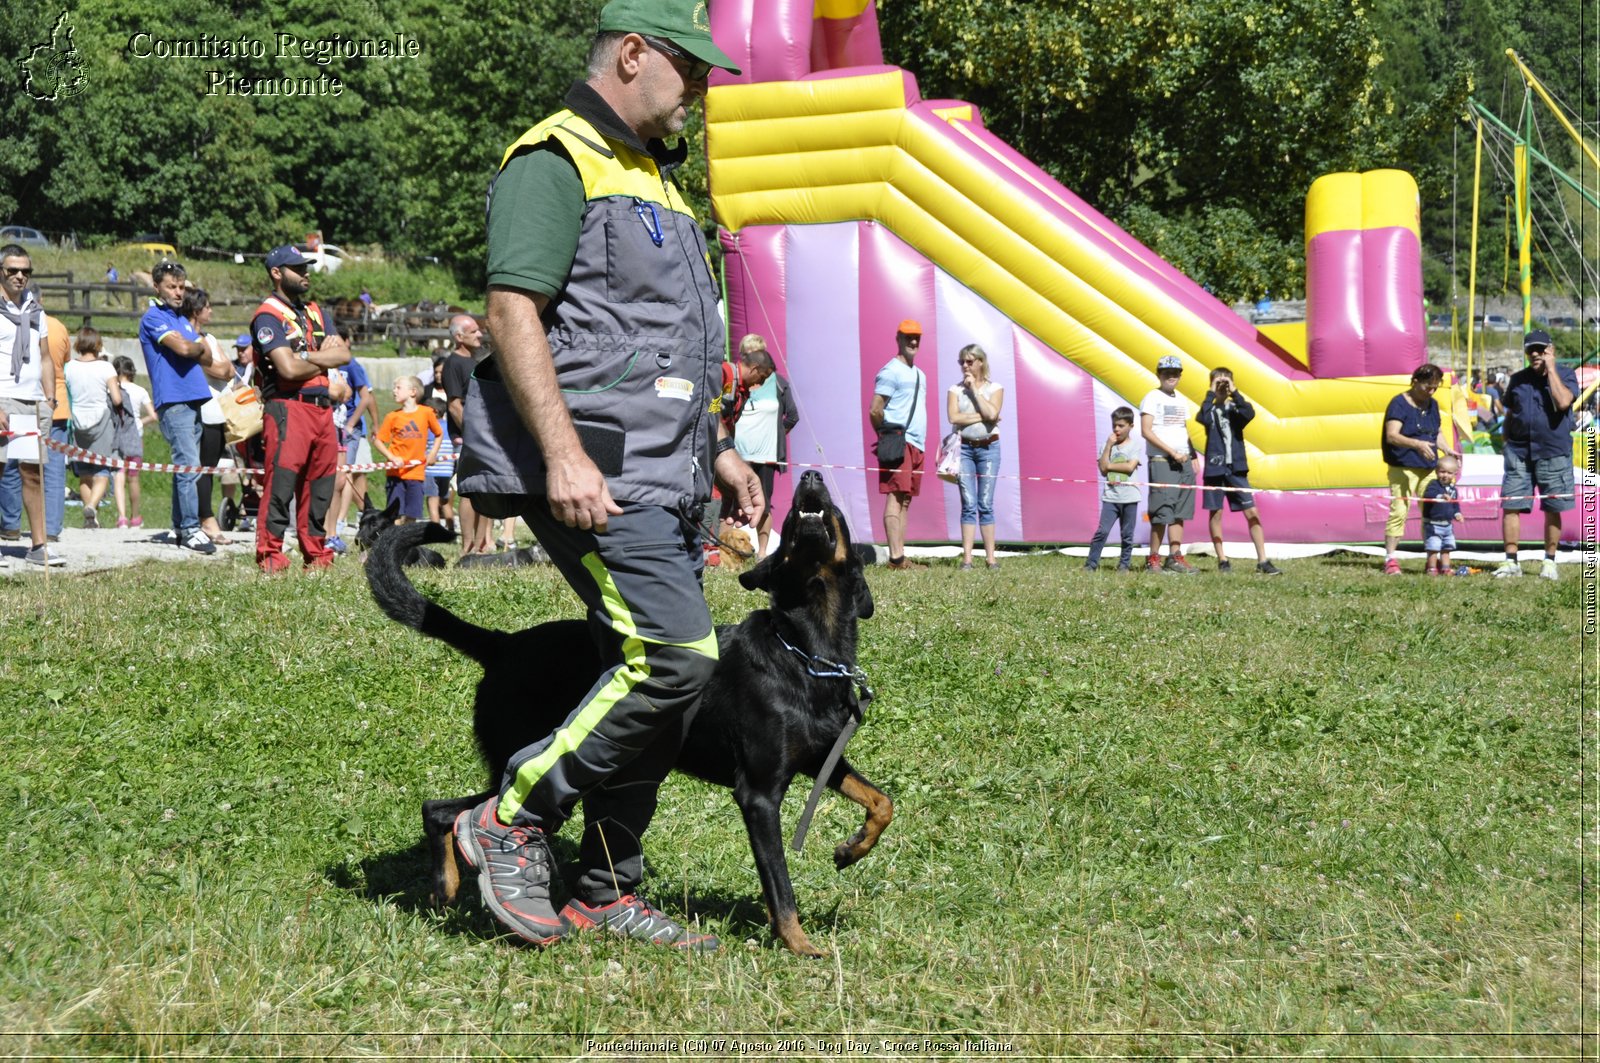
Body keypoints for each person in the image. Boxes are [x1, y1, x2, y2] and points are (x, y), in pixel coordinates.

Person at [454, 0, 758, 952]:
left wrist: (716, 448)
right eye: (691, 71)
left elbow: (657, 342)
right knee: (674, 659)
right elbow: (513, 314)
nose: (701, 92)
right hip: (597, 469)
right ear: (632, 54)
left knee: (657, 677)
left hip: (668, 475)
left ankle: (604, 885)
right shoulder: (554, 160)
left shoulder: (655, 180)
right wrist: (564, 455)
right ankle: (507, 817)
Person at [250, 244, 350, 572]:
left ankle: (318, 556)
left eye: (306, 266)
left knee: (320, 488)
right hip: (287, 407)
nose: (305, 273)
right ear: (276, 273)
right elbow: (287, 371)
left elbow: (343, 356)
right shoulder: (268, 315)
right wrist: (319, 358)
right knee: (280, 485)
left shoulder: (316, 311)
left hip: (323, 411)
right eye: (297, 268)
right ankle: (271, 556)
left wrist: (303, 357)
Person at [140, 260, 218, 554]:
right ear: (157, 286)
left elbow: (205, 351)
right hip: (174, 401)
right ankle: (190, 528)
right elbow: (189, 349)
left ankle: (179, 524)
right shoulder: (153, 317)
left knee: (186, 466)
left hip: (193, 398)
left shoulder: (181, 319)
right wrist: (194, 345)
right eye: (171, 286)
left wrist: (195, 345)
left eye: (181, 287)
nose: (177, 292)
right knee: (189, 466)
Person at [1494, 329, 1578, 580]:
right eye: (1530, 349)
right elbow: (1510, 412)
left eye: (1540, 349)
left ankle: (1549, 562)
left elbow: (1563, 402)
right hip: (1518, 452)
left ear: (1550, 350)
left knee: (1553, 507)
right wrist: (1506, 440)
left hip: (1553, 452)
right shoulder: (1518, 379)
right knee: (1511, 505)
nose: (1535, 354)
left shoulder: (1565, 374)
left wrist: (1551, 369)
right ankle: (1511, 562)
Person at [0, 244, 64, 566]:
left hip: (32, 401)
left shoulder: (36, 311)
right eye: (12, 270)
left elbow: (45, 358)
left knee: (32, 473)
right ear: (1, 271)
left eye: (25, 270)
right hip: (2, 398)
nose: (20, 276)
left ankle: (39, 546)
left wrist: (49, 400)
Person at [1198, 366, 1282, 575]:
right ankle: (1222, 559)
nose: (1222, 387)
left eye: (1225, 382)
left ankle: (1262, 560)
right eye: (1219, 383)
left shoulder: (1235, 409)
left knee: (1252, 512)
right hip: (1215, 469)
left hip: (1236, 468)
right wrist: (1212, 393)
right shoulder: (1210, 409)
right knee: (1216, 513)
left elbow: (1249, 413)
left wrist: (1234, 392)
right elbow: (1203, 418)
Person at [727, 336, 796, 557]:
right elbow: (715, 408)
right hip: (734, 454)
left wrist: (775, 435)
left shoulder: (777, 382)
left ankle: (762, 552)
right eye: (748, 353)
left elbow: (792, 416)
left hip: (766, 456)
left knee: (763, 504)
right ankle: (723, 550)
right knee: (729, 503)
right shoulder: (730, 378)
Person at [870, 319, 928, 570]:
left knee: (905, 499)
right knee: (895, 497)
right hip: (898, 441)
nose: (913, 342)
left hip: (917, 443)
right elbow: (875, 409)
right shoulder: (890, 371)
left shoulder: (920, 374)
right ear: (898, 339)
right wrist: (886, 437)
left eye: (917, 337)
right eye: (908, 337)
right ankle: (896, 559)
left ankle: (900, 555)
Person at [1380, 363, 1449, 575]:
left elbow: (1436, 432)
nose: (1431, 391)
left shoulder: (1433, 404)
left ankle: (1433, 560)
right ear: (1416, 381)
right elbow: (1392, 435)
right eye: (1428, 386)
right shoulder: (1399, 404)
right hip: (1403, 466)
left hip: (1428, 468)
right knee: (1399, 511)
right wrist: (1417, 444)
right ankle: (1390, 558)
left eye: (1435, 387)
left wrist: (1447, 450)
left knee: (1433, 511)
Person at [182, 289, 234, 545]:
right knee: (202, 467)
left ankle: (204, 514)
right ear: (196, 310)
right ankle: (205, 517)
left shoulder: (209, 338)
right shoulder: (189, 340)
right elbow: (216, 367)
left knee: (210, 466)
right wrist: (219, 367)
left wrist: (219, 367)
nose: (211, 310)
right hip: (202, 409)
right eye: (208, 306)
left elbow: (229, 369)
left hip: (218, 410)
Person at [946, 342, 1004, 570]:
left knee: (986, 503)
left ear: (981, 362)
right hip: (965, 449)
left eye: (969, 361)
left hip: (989, 448)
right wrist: (984, 417)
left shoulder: (995, 388)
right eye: (962, 362)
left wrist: (976, 392)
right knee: (968, 503)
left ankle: (991, 558)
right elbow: (953, 418)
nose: (965, 366)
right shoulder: (955, 390)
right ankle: (967, 558)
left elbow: (993, 412)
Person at [1140, 354, 1197, 573]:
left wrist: (1191, 456)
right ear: (1159, 374)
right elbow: (1146, 430)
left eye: (1175, 373)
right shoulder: (1152, 397)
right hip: (1163, 460)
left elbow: (1183, 430)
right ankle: (1153, 558)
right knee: (1162, 510)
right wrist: (1171, 451)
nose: (1171, 376)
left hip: (1183, 460)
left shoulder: (1181, 399)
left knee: (1180, 511)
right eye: (1166, 372)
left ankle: (1175, 557)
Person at [62, 326, 121, 527]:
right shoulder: (106, 368)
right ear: (98, 344)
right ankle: (93, 506)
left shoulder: (69, 367)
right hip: (102, 422)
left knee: (85, 472)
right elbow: (117, 398)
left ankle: (90, 517)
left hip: (77, 421)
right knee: (102, 470)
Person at [441, 313, 487, 553]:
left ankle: (482, 545)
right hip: (468, 437)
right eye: (473, 332)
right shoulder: (453, 363)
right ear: (459, 337)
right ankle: (467, 546)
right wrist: (472, 435)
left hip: (485, 436)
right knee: (469, 489)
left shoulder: (476, 360)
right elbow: (454, 404)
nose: (480, 334)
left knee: (486, 488)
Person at [373, 376, 442, 524]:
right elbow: (378, 441)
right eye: (394, 388)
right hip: (395, 474)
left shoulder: (426, 412)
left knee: (412, 514)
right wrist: (392, 457)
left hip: (416, 474)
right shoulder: (392, 416)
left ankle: (407, 544)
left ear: (413, 392)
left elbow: (439, 434)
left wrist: (433, 453)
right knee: (395, 515)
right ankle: (393, 543)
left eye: (398, 387)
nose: (394, 391)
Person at [1083, 406, 1141, 572]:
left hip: (1130, 497)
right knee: (1102, 531)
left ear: (1131, 426)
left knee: (1127, 535)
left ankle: (1124, 565)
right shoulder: (1106, 446)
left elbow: (1130, 467)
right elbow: (1102, 470)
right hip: (1111, 498)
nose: (1116, 429)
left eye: (1121, 426)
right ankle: (1091, 564)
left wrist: (1109, 465)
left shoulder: (1134, 446)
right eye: (1114, 425)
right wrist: (1109, 446)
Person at [110, 354, 154, 529]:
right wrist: (138, 423)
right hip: (136, 437)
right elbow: (153, 415)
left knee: (118, 476)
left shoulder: (112, 390)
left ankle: (122, 518)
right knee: (133, 478)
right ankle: (135, 517)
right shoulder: (140, 390)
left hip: (117, 436)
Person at [1421, 453, 1465, 576]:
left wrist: (1457, 513)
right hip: (1433, 525)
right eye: (1442, 472)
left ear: (1454, 474)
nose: (1445, 475)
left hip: (1448, 526)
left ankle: (1446, 568)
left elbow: (1455, 504)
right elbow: (1428, 495)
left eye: (1449, 473)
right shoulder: (1433, 485)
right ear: (1436, 471)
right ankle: (1431, 568)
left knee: (1447, 548)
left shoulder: (1453, 489)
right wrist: (1440, 496)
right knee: (1433, 548)